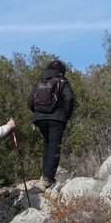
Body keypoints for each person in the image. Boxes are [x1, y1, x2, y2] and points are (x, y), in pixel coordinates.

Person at [28, 59, 75, 188]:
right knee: (55, 146)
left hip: (40, 118)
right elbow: (69, 98)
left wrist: (37, 111)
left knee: (47, 143)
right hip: (56, 118)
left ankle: (45, 174)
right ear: (62, 70)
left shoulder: (41, 81)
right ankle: (48, 178)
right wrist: (66, 115)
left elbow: (30, 100)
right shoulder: (62, 80)